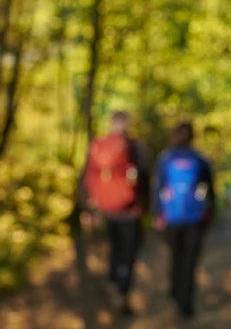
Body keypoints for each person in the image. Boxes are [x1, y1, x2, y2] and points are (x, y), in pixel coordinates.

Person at [80, 111, 149, 315]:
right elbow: (145, 179)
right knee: (128, 254)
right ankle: (122, 292)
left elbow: (86, 178)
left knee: (114, 250)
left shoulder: (97, 146)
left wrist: (88, 210)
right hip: (130, 212)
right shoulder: (136, 147)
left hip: (106, 211)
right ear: (128, 124)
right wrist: (146, 208)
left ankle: (113, 285)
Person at [153, 121, 215, 318]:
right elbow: (211, 191)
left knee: (176, 256)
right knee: (189, 260)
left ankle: (176, 293)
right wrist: (209, 214)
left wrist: (158, 213)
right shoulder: (199, 158)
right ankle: (184, 301)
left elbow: (158, 187)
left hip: (172, 217)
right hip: (194, 219)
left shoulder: (165, 158)